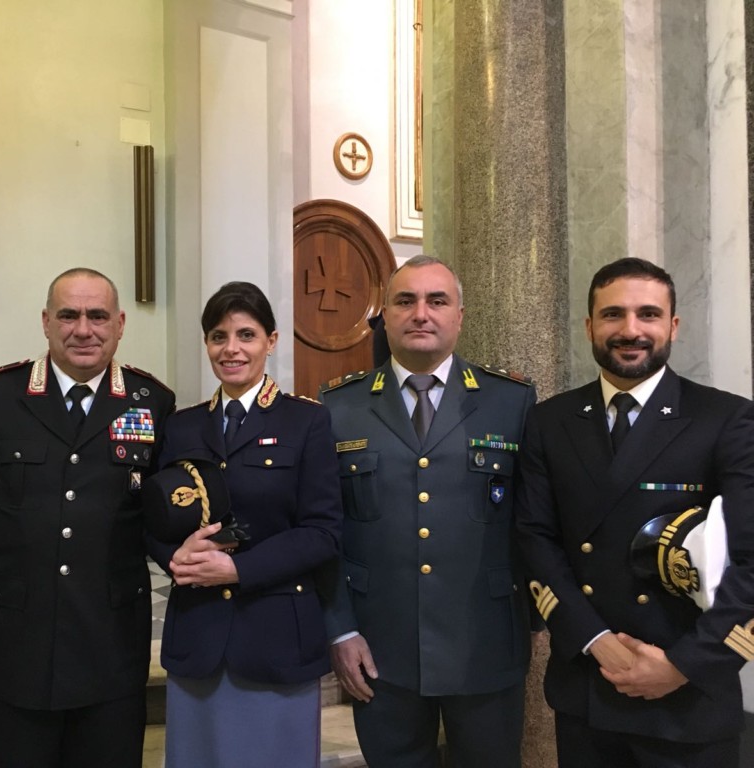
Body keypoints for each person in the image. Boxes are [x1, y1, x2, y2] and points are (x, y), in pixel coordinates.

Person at [516, 257, 754, 767]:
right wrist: (595, 640)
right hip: (588, 684)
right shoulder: (549, 421)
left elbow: (751, 561)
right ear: (589, 326)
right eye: (612, 315)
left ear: (672, 326)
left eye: (648, 314)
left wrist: (683, 664)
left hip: (689, 698)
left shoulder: (726, 419)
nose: (630, 330)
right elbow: (535, 540)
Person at [320, 255, 536, 768]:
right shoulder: (337, 407)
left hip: (485, 642)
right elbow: (326, 532)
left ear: (459, 315)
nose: (421, 313)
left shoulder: (512, 401)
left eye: (437, 301)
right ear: (386, 316)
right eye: (405, 301)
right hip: (380, 645)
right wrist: (340, 630)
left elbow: (535, 523)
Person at [0, 267, 175, 767]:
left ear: (120, 323)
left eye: (98, 316)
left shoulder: (152, 402)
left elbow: (154, 513)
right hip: (17, 636)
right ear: (45, 321)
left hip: (110, 640)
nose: (83, 329)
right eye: (69, 315)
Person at [145, 281, 341, 767]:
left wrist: (238, 571)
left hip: (276, 634)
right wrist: (174, 557)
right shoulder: (183, 425)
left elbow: (324, 531)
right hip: (199, 634)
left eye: (246, 335)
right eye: (218, 336)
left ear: (271, 342)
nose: (231, 349)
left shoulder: (307, 422)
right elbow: (152, 518)